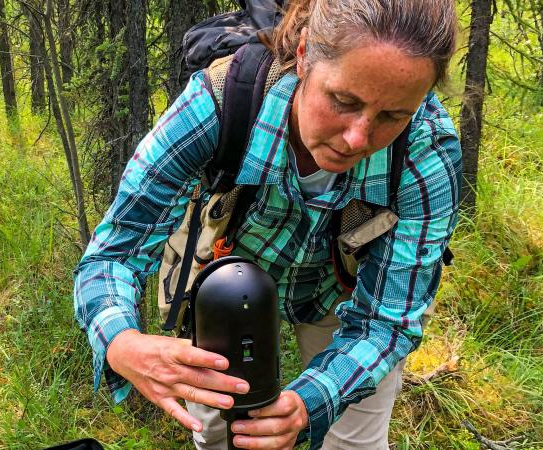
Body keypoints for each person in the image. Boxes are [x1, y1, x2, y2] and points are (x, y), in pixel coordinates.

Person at [73, 0, 461, 449]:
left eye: (393, 115)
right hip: (230, 281)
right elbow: (113, 253)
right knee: (219, 432)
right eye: (343, 101)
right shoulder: (218, 102)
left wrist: (312, 400)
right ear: (303, 55)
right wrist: (120, 342)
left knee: (355, 442)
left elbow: (387, 322)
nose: (358, 136)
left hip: (344, 287)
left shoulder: (426, 155)